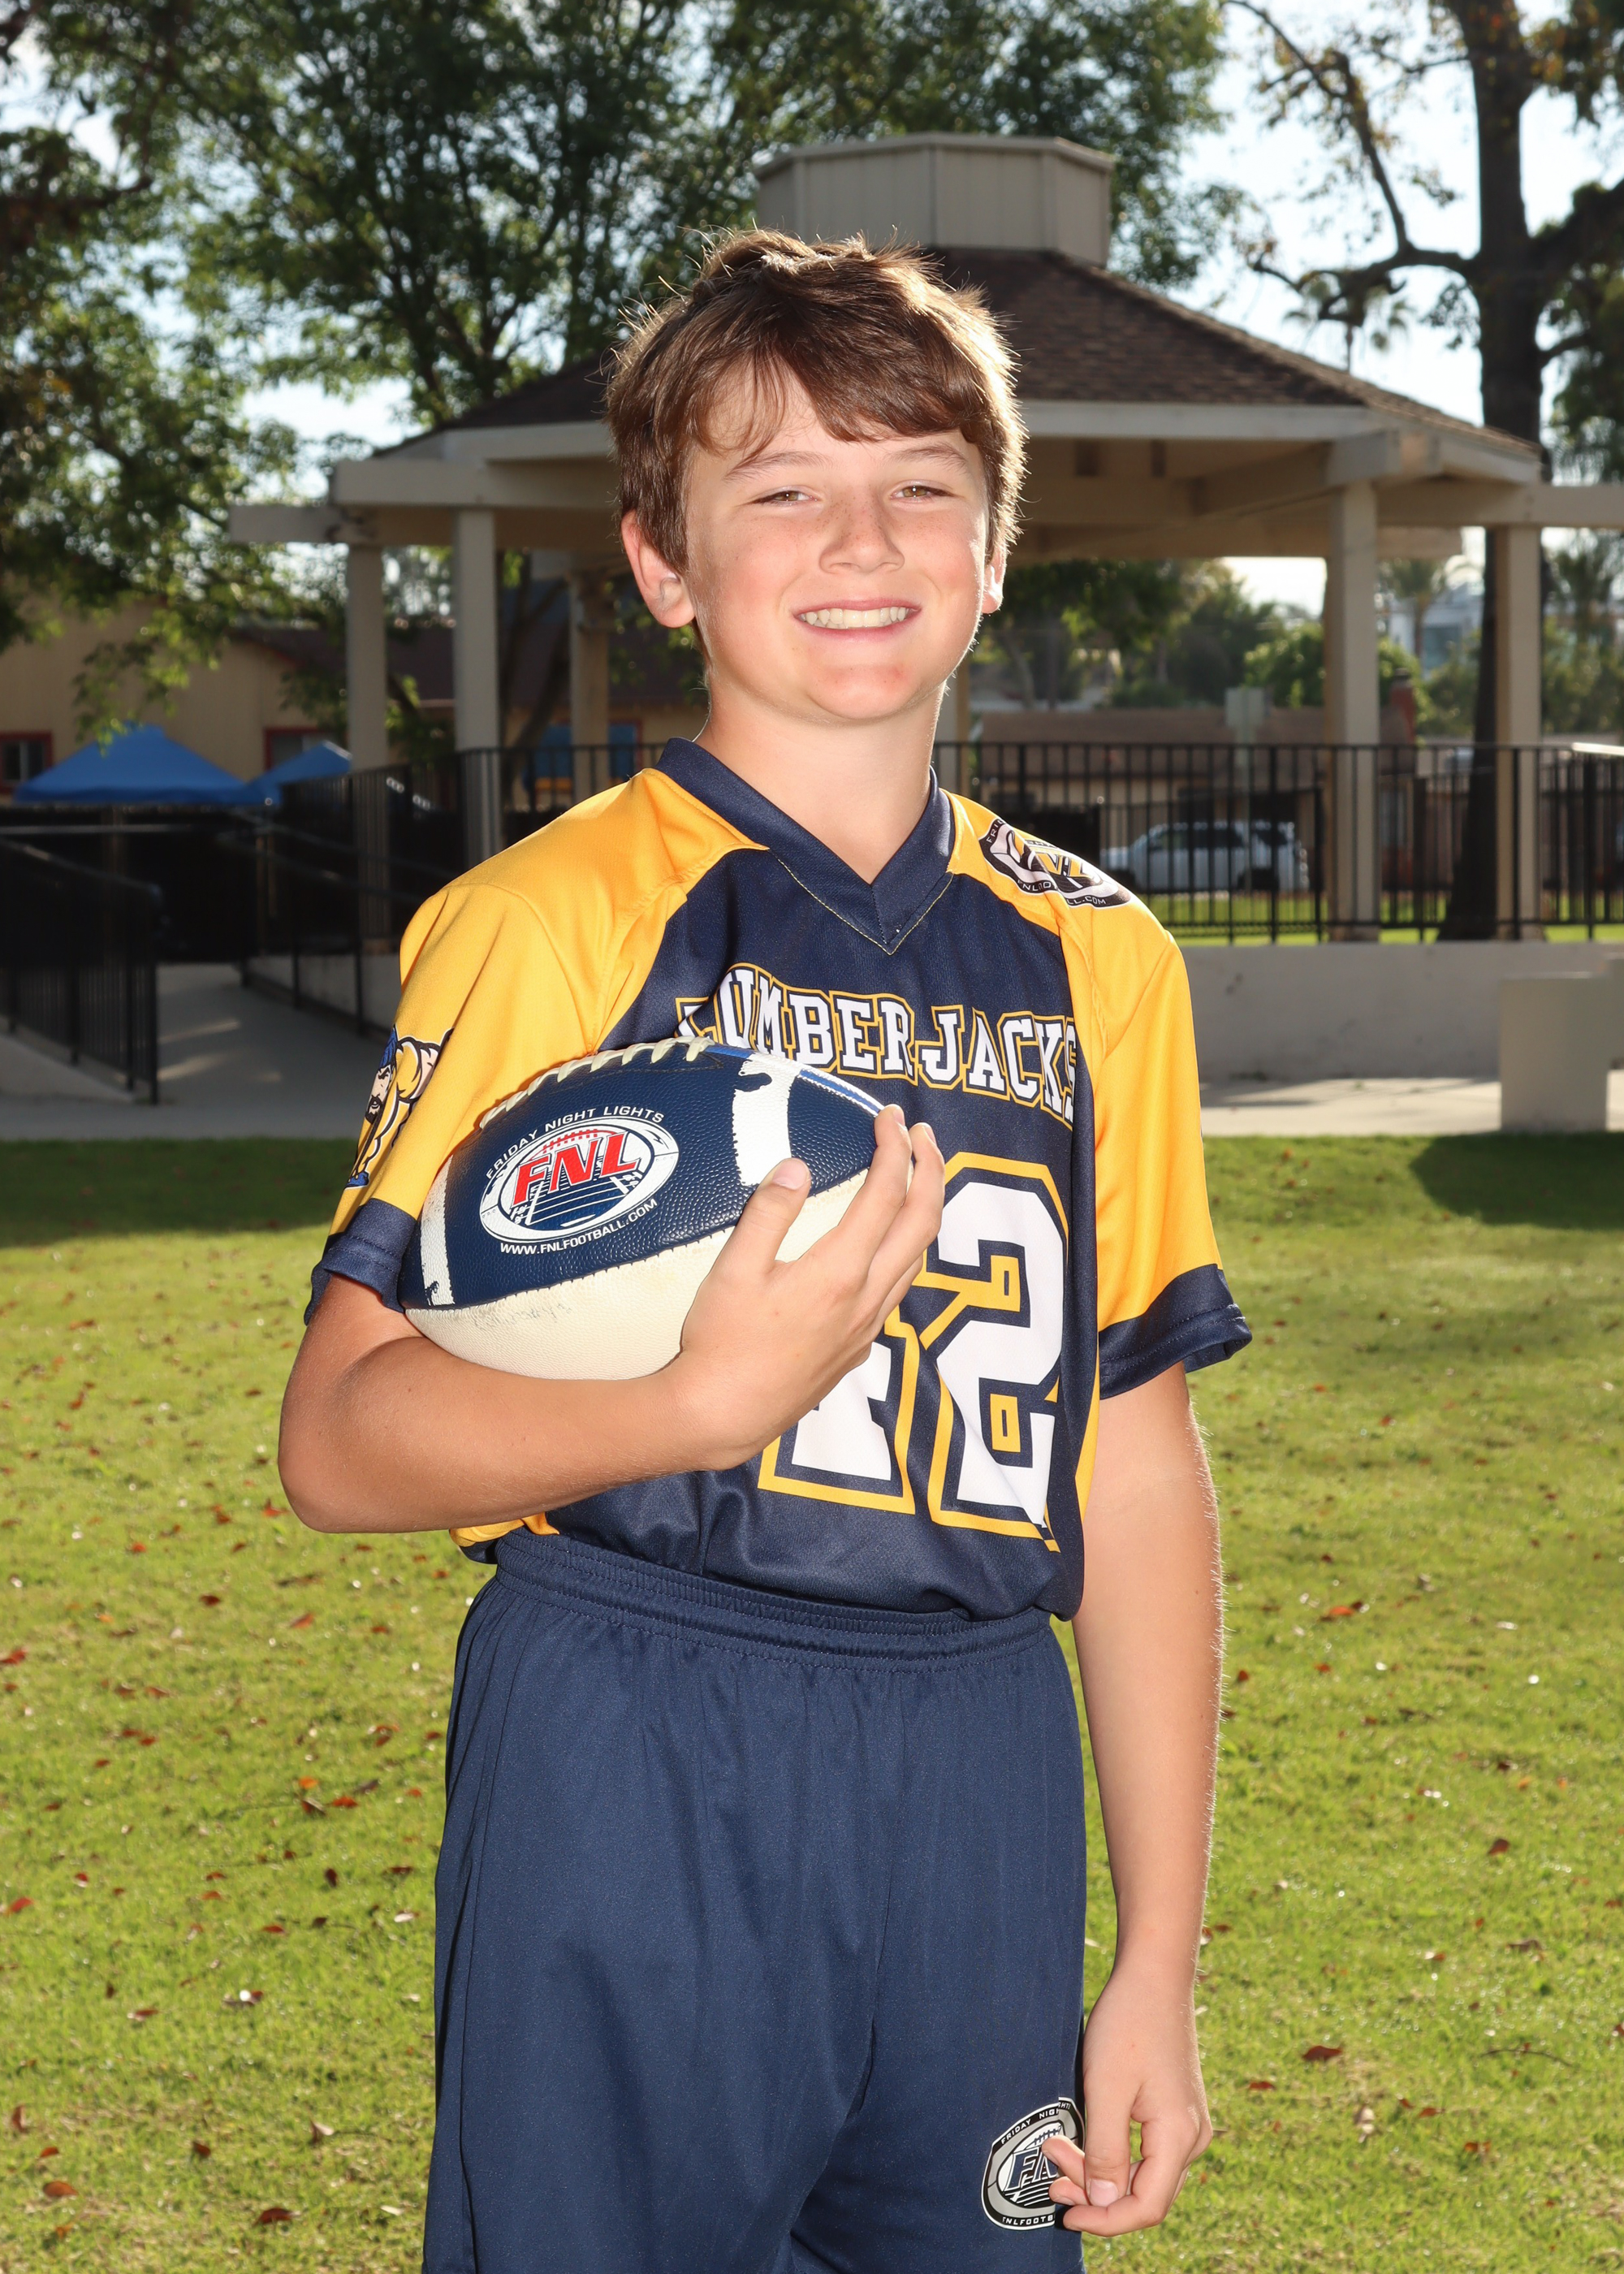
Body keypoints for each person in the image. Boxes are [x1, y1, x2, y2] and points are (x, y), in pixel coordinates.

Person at [279, 230, 1250, 2273]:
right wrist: (693, 1400)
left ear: (995, 548)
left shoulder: (1105, 958)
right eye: (782, 487)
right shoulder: (550, 918)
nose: (860, 538)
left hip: (978, 1757)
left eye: (918, 484)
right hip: (639, 1720)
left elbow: (1135, 1460)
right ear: (663, 561)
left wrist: (1156, 1951)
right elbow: (340, 1437)